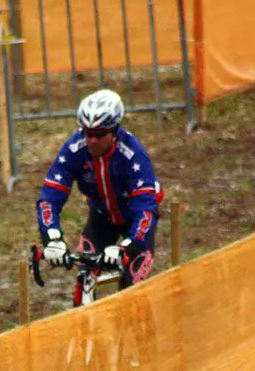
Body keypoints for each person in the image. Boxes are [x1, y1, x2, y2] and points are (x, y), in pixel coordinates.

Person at [35, 88, 163, 290]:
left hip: (134, 218)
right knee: (84, 277)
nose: (92, 140)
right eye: (87, 133)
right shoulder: (74, 149)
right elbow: (49, 198)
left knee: (132, 288)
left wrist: (128, 246)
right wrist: (52, 237)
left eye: (99, 134)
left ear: (114, 131)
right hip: (102, 217)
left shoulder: (133, 155)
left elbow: (146, 210)